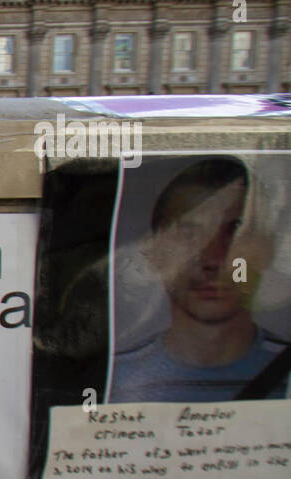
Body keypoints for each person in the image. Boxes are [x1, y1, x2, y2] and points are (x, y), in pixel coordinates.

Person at [112, 156, 289, 402]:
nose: (213, 258)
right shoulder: (112, 381)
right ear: (155, 251)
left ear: (266, 247)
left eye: (235, 230)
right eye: (188, 232)